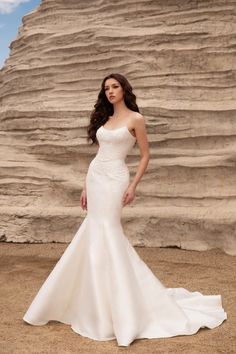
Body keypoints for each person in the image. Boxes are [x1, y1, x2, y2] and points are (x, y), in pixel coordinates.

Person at [23, 73, 227, 347]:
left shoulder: (135, 119)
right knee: (92, 232)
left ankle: (118, 306)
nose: (110, 92)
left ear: (124, 89)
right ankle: (93, 302)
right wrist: (85, 186)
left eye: (115, 87)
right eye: (106, 88)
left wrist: (133, 185)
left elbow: (145, 155)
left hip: (116, 180)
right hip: (96, 178)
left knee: (108, 231)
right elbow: (98, 157)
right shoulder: (105, 120)